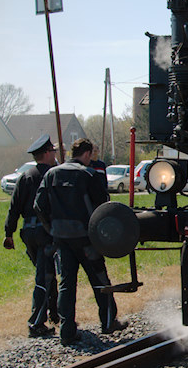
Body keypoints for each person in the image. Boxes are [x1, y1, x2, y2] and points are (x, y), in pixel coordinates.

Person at [34, 137, 127, 344]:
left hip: (61, 238)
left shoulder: (51, 174)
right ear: (86, 154)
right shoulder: (89, 174)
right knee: (100, 280)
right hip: (86, 238)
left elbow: (39, 206)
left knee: (67, 284)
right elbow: (103, 206)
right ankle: (108, 321)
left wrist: (52, 228)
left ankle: (66, 331)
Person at [3, 133, 59, 338]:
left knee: (48, 272)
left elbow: (14, 207)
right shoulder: (54, 175)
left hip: (28, 232)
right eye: (53, 151)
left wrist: (9, 233)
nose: (55, 154)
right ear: (46, 153)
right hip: (46, 233)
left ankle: (55, 313)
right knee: (44, 276)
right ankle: (36, 323)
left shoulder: (26, 177)